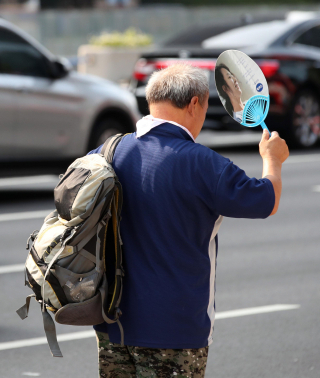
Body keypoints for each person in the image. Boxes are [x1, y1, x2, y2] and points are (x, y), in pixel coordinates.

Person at [88, 63, 289, 377]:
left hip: (111, 321)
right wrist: (272, 160)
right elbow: (267, 200)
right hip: (173, 329)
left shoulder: (108, 151)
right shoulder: (202, 163)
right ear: (195, 103)